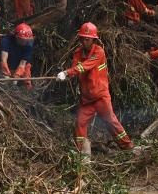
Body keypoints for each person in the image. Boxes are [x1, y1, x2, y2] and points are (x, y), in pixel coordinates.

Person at [56, 22, 134, 154]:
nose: (84, 41)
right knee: (80, 123)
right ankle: (81, 152)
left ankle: (127, 147)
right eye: (82, 39)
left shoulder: (99, 52)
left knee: (111, 121)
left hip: (100, 96)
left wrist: (67, 72)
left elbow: (85, 66)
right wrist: (65, 75)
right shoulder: (78, 52)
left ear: (93, 39)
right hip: (86, 99)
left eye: (87, 39)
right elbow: (76, 68)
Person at [0, 23, 36, 90]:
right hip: (9, 65)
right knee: (5, 82)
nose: (25, 42)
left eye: (27, 40)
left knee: (27, 82)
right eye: (23, 40)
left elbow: (22, 64)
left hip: (23, 66)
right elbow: (4, 60)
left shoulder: (29, 45)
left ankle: (28, 92)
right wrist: (6, 74)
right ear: (16, 37)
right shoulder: (6, 41)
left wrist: (16, 78)